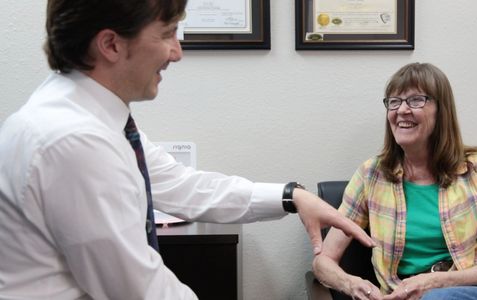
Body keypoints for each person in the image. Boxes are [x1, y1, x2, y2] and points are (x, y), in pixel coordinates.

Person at [0, 1, 375, 299]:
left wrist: (291, 197)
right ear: (111, 44)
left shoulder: (89, 120)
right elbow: (139, 290)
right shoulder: (75, 141)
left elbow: (182, 186)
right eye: (167, 34)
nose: (176, 52)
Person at [312, 62, 477, 300]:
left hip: (471, 291)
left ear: (442, 111)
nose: (401, 110)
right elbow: (323, 262)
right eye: (394, 101)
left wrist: (435, 283)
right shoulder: (371, 175)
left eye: (415, 100)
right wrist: (353, 285)